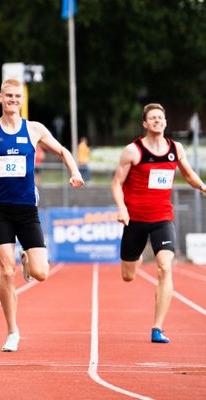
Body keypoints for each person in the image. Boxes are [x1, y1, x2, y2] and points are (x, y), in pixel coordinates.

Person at [0, 79, 84, 352]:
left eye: (17, 96)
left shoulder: (34, 129)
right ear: (0, 97)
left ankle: (27, 257)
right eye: (9, 95)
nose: (13, 100)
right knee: (6, 271)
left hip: (27, 209)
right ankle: (12, 331)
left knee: (41, 273)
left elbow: (61, 150)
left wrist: (75, 171)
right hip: (0, 209)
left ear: (21, 99)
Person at [111, 103, 206, 344]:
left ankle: (157, 328)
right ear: (145, 123)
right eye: (152, 118)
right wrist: (122, 209)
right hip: (135, 220)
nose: (157, 121)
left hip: (162, 217)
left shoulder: (176, 148)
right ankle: (138, 257)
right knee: (128, 275)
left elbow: (187, 174)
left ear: (165, 122)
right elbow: (116, 184)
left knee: (165, 267)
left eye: (160, 118)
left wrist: (202, 185)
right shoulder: (133, 151)